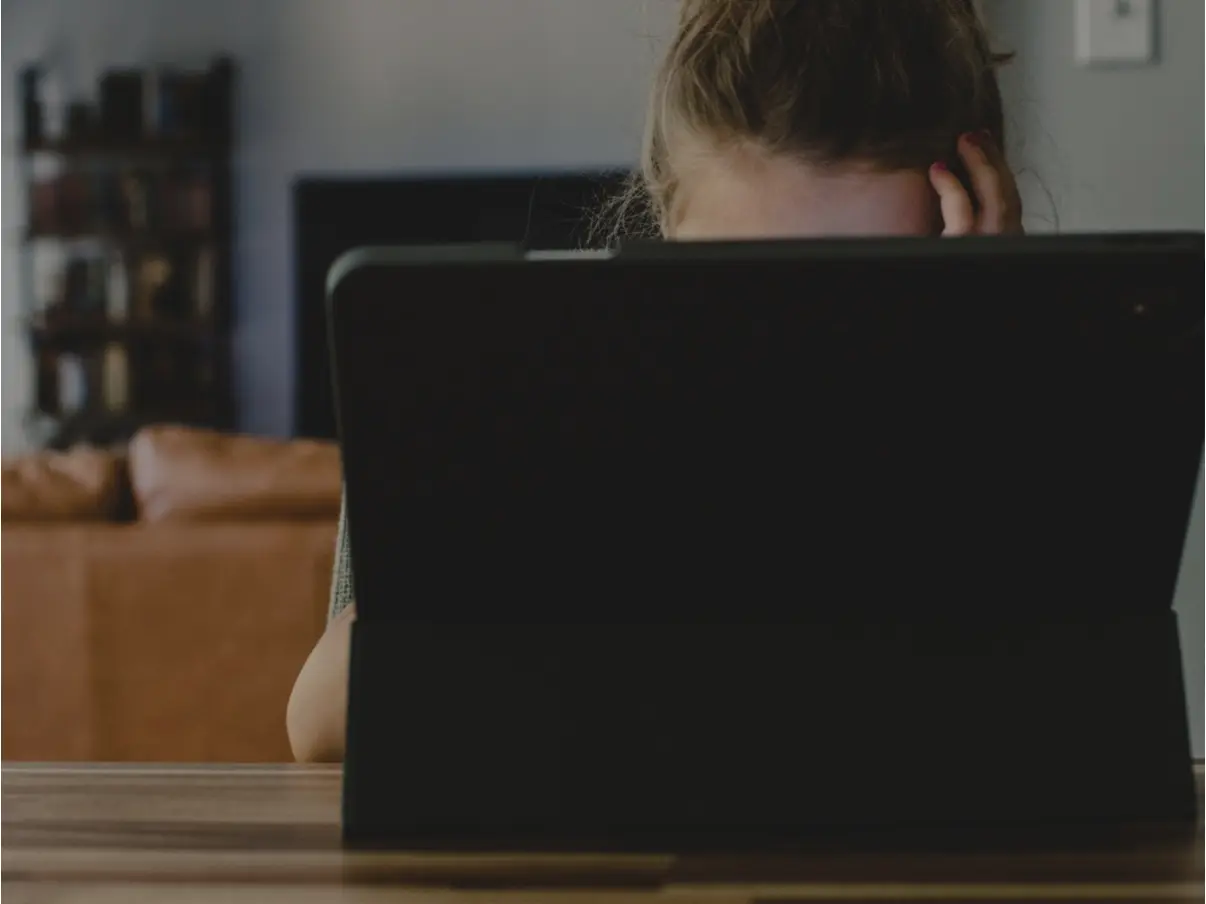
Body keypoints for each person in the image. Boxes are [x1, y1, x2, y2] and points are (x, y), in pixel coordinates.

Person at [286, 0, 1024, 763]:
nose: (786, 359)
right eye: (736, 291)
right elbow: (319, 722)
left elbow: (1040, 726)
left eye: (862, 297)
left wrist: (969, 373)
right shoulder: (559, 409)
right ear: (669, 228)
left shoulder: (993, 422)